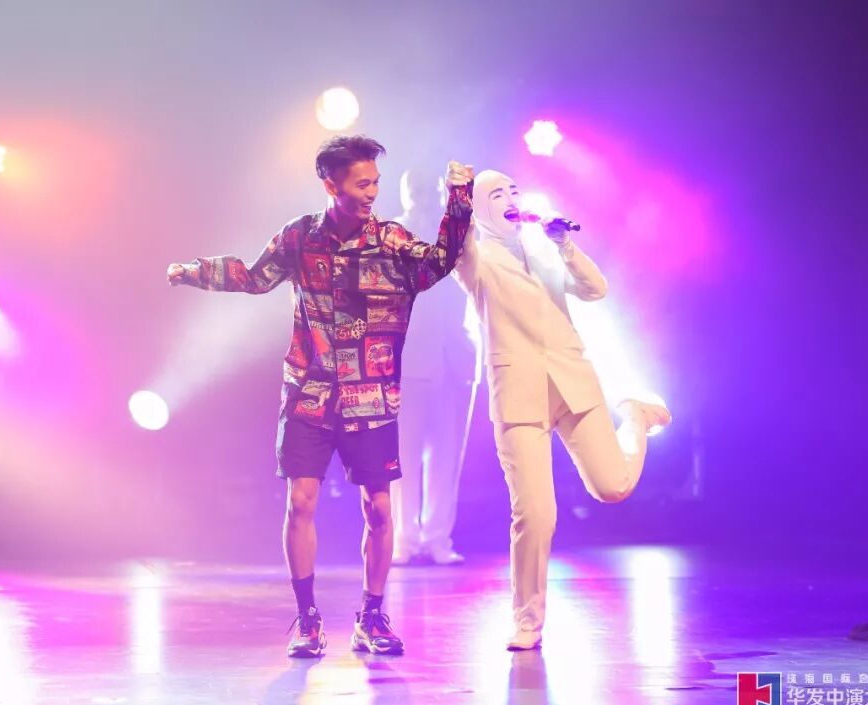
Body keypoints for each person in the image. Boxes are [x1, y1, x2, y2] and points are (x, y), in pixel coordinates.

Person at [166, 135, 473, 657]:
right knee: (300, 502)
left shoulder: (390, 240)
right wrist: (192, 271)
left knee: (380, 508)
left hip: (371, 395)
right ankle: (307, 619)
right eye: (362, 183)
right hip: (309, 392)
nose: (372, 192)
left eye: (376, 182)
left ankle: (372, 617)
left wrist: (459, 197)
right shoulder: (299, 236)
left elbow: (440, 261)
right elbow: (254, 277)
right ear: (331, 185)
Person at [454, 170, 671, 651]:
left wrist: (564, 245)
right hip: (518, 394)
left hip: (573, 381)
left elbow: (596, 290)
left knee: (612, 487)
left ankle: (635, 416)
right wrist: (456, 193)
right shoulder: (476, 259)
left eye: (513, 190)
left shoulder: (544, 248)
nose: (510, 199)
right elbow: (457, 241)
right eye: (496, 195)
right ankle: (527, 619)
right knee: (535, 514)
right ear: (480, 208)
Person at [391, 167, 480, 565]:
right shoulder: (393, 236)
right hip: (409, 360)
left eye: (430, 190)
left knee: (446, 456)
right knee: (404, 456)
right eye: (417, 189)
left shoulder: (458, 235)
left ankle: (438, 538)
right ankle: (404, 539)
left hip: (452, 361)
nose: (424, 196)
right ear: (404, 193)